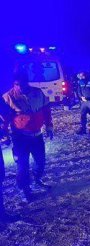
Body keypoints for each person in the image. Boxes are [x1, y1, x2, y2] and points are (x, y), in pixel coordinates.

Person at [2, 71, 54, 202]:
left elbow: (46, 110)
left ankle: (37, 178)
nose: (20, 87)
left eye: (22, 84)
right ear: (14, 84)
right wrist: (4, 135)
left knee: (40, 161)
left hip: (37, 135)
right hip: (20, 137)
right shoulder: (7, 97)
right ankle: (25, 189)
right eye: (17, 84)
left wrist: (49, 126)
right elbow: (4, 118)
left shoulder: (38, 93)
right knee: (22, 165)